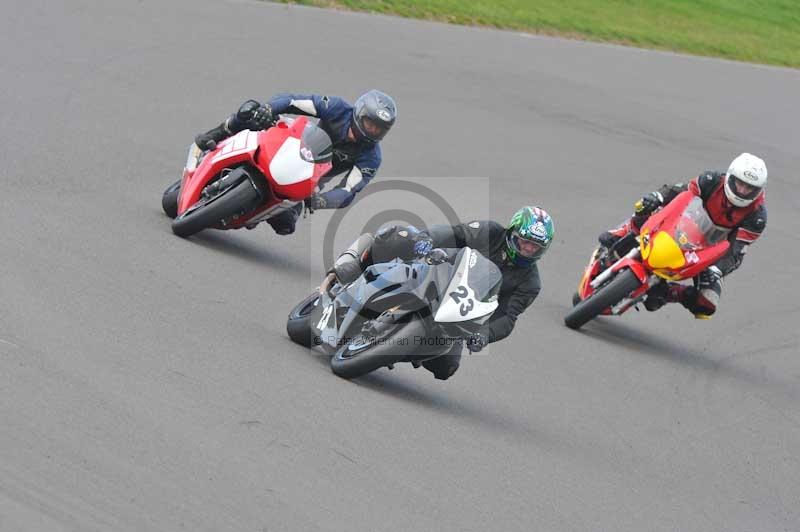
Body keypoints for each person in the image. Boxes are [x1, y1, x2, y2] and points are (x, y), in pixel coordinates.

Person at [329, 206, 554, 380]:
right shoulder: (491, 232)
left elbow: (507, 316)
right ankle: (356, 267)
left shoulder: (530, 283)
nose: (528, 250)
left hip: (457, 312)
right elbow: (456, 234)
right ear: (512, 233)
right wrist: (428, 239)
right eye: (525, 242)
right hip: (437, 269)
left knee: (446, 368)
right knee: (400, 234)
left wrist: (485, 335)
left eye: (535, 247)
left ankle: (390, 348)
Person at [194, 90, 397, 234]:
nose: (372, 131)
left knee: (286, 225)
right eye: (370, 124)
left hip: (307, 183)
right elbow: (293, 101)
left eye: (379, 129)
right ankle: (218, 134)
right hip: (290, 147)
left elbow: (348, 191)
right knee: (250, 111)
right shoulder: (338, 108)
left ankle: (249, 212)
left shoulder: (371, 157)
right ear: (359, 114)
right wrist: (268, 108)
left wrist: (322, 200)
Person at [598, 153, 768, 318]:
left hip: (706, 252)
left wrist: (716, 270)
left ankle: (671, 293)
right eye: (740, 183)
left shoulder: (757, 217)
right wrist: (657, 196)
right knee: (646, 207)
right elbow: (678, 191)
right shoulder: (711, 180)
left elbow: (736, 252)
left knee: (707, 304)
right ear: (730, 177)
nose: (743, 190)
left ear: (758, 190)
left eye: (749, 188)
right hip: (682, 224)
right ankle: (623, 231)